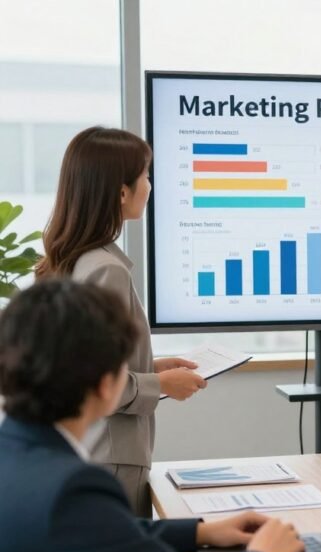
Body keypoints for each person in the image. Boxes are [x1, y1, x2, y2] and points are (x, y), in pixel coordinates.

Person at [0, 279, 304, 552]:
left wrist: (201, 532)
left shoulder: (14, 455)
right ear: (107, 384)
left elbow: (102, 534)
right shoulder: (72, 488)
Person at [35, 126, 207, 516]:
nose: (150, 185)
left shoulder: (75, 262)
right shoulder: (107, 270)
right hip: (111, 458)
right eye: (146, 175)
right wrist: (160, 384)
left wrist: (151, 366)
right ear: (122, 191)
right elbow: (89, 382)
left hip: (90, 453)